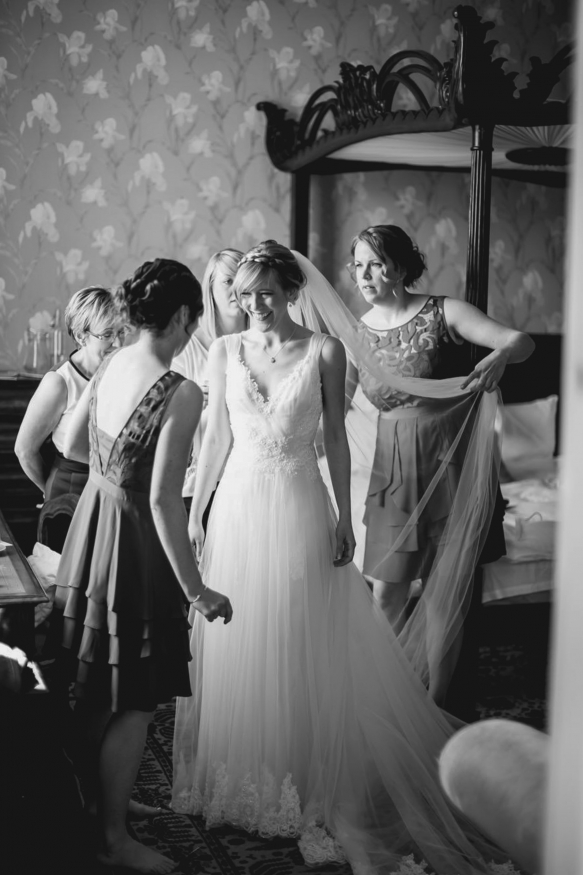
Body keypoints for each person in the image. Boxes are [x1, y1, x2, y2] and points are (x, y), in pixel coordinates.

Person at [173, 240, 509, 874]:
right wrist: (198, 510)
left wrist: (342, 515)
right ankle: (248, 772)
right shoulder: (224, 351)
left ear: (290, 291)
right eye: (244, 296)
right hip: (238, 506)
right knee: (244, 635)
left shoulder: (325, 350)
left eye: (266, 294)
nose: (254, 306)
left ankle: (305, 769)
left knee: (297, 631)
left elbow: (333, 436)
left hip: (299, 502)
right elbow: (216, 433)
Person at [55, 258, 233, 875]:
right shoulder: (180, 390)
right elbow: (162, 500)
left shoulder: (108, 364)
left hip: (92, 526)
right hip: (133, 542)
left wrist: (111, 473)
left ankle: (100, 802)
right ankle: (112, 838)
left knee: (96, 687)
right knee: (134, 699)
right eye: (195, 319)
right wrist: (198, 589)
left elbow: (67, 444)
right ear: (182, 315)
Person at [347, 225, 534, 632]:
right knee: (386, 592)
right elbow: (335, 402)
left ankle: (438, 677)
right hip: (393, 472)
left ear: (400, 268)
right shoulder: (355, 333)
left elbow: (522, 341)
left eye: (375, 264)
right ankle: (389, 675)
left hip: (448, 462)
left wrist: (501, 355)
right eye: (358, 266)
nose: (364, 275)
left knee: (440, 594)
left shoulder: (444, 311)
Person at [14, 286, 121, 551]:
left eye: (121, 332)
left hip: (114, 489)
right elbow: (24, 450)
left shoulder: (120, 373)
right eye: (107, 334)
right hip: (71, 490)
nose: (118, 343)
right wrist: (50, 490)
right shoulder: (59, 382)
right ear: (82, 336)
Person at [172, 248, 246, 513]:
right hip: (197, 485)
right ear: (210, 289)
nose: (237, 289)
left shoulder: (263, 345)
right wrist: (194, 400)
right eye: (228, 281)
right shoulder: (186, 347)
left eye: (242, 280)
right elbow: (166, 414)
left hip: (247, 480)